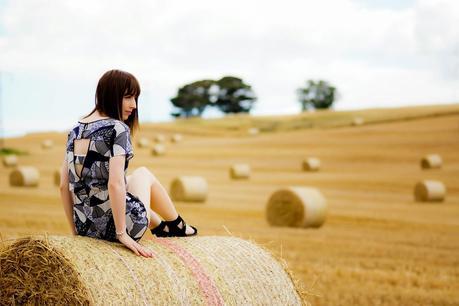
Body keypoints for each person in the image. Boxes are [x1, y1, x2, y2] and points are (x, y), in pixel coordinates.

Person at [59, 69, 197, 258]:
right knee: (143, 173)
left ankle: (164, 227)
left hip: (86, 228)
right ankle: (177, 225)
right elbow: (115, 183)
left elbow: (63, 186)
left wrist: (76, 232)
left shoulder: (75, 131)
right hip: (124, 225)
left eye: (135, 98)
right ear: (111, 95)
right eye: (127, 97)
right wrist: (122, 234)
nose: (133, 105)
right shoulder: (118, 128)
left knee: (130, 179)